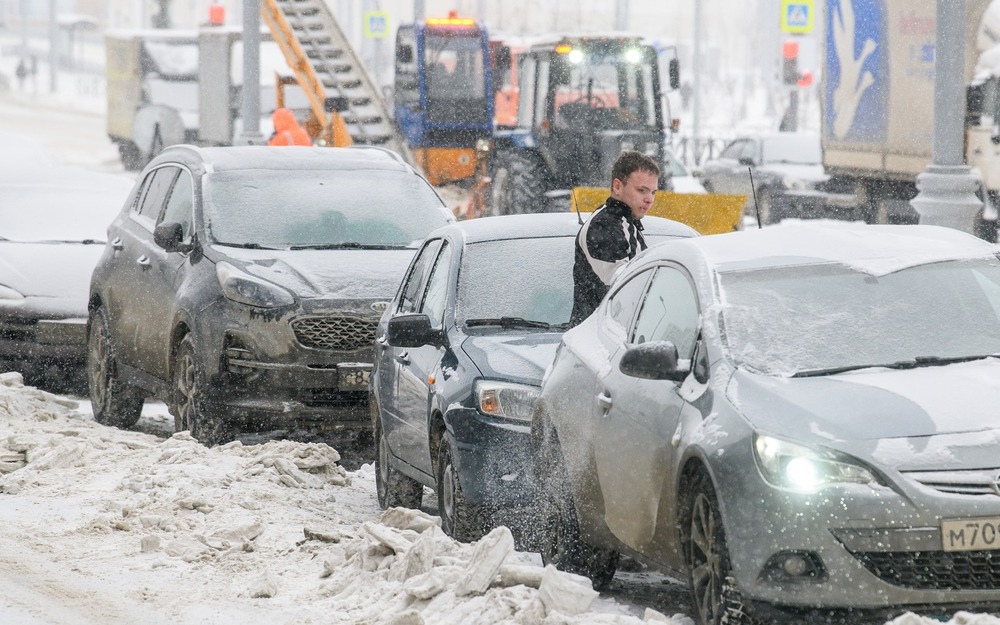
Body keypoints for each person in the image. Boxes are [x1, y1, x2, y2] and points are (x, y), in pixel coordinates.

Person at [570, 150, 659, 326]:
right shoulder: (604, 225)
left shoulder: (627, 224)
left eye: (653, 192)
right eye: (642, 190)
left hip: (614, 338)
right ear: (617, 187)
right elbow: (626, 285)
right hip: (596, 343)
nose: (649, 199)